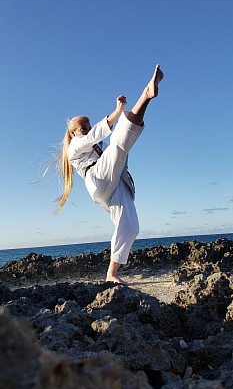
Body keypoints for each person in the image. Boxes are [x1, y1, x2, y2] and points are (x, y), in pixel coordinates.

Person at [55, 64, 164, 284]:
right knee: (117, 146)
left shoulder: (99, 143)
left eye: (87, 126)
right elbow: (93, 138)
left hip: (115, 183)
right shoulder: (74, 146)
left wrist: (122, 121)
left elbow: (116, 147)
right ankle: (146, 95)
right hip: (98, 179)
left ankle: (111, 273)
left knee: (131, 226)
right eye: (82, 127)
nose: (86, 129)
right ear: (73, 132)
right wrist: (116, 112)